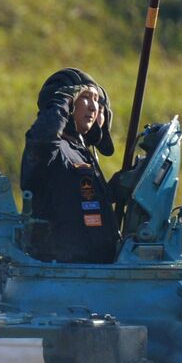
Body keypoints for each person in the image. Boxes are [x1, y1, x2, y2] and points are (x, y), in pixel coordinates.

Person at [20, 68, 121, 263]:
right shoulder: (52, 150)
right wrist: (61, 102)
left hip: (96, 269)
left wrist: (118, 189)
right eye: (85, 97)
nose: (93, 107)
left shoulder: (81, 153)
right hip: (61, 271)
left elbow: (83, 199)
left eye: (96, 100)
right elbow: (43, 140)